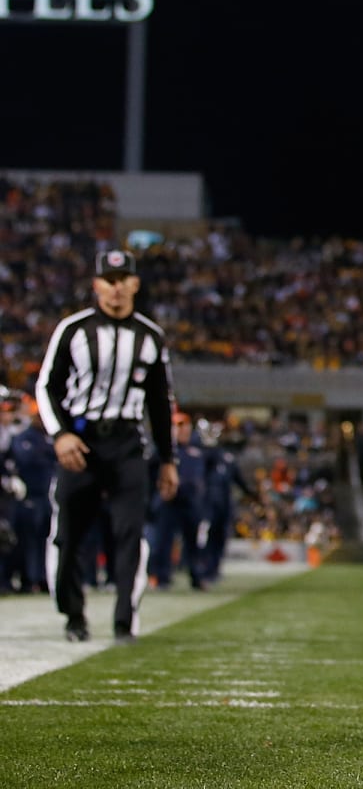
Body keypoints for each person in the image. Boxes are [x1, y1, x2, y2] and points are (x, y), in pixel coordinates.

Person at [35, 248, 179, 643]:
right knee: (68, 533)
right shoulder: (73, 330)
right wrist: (61, 434)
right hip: (80, 442)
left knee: (130, 532)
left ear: (135, 284)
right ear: (97, 284)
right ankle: (73, 616)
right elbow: (46, 386)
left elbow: (160, 403)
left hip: (127, 442)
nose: (116, 288)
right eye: (109, 281)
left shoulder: (150, 336)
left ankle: (124, 621)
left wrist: (168, 459)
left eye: (123, 280)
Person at [2, 391, 57, 595]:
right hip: (23, 495)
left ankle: (35, 578)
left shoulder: (34, 435)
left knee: (35, 538)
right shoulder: (21, 436)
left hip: (37, 494)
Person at [147, 412, 208, 591]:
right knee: (162, 541)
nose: (183, 430)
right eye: (178, 426)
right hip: (168, 501)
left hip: (191, 502)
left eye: (185, 426)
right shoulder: (162, 452)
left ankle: (197, 576)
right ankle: (161, 576)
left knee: (194, 542)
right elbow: (149, 474)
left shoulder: (197, 450)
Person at [198, 418, 260, 585]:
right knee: (205, 537)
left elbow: (239, 480)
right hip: (206, 503)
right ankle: (202, 570)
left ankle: (214, 569)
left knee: (220, 537)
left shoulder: (227, 457)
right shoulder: (203, 454)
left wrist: (252, 494)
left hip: (224, 503)